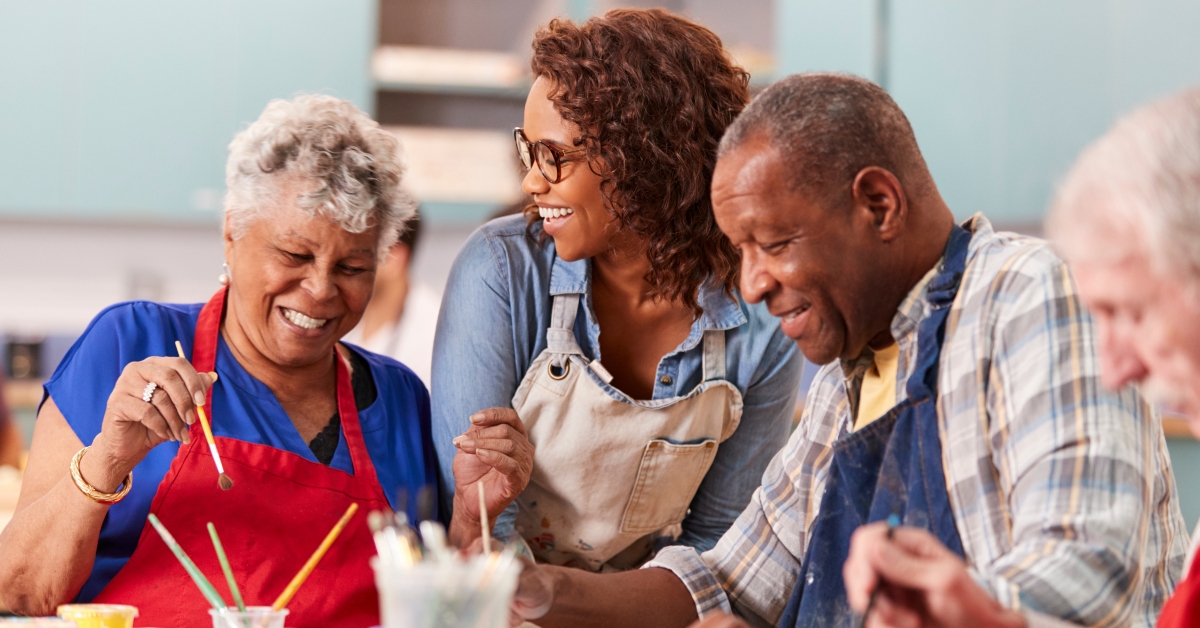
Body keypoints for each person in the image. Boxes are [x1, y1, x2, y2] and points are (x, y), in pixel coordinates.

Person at [503, 73, 1187, 628]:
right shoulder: (849, 369)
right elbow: (733, 581)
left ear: (880, 205)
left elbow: (1090, 572)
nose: (752, 283)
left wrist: (956, 602)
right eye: (739, 252)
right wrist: (535, 593)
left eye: (773, 244)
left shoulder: (1027, 293)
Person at [0, 94, 528, 626]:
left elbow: (436, 610)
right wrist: (108, 458)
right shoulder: (130, 343)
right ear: (232, 233)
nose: (321, 289)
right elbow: (19, 592)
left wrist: (472, 514)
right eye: (295, 255)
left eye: (352, 266)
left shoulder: (400, 399)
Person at [433, 8, 803, 566]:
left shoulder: (760, 314)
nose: (532, 181)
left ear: (648, 157)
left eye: (554, 156)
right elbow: (479, 536)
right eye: (528, 150)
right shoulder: (500, 273)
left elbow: (721, 555)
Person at [841, 88, 1200, 628]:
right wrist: (991, 620)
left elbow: (1087, 567)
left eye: (1130, 312)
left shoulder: (1027, 287)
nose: (1117, 370)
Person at [343, 210, 440, 387]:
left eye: (356, 253)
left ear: (394, 258)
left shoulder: (436, 338)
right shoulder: (345, 311)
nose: (344, 264)